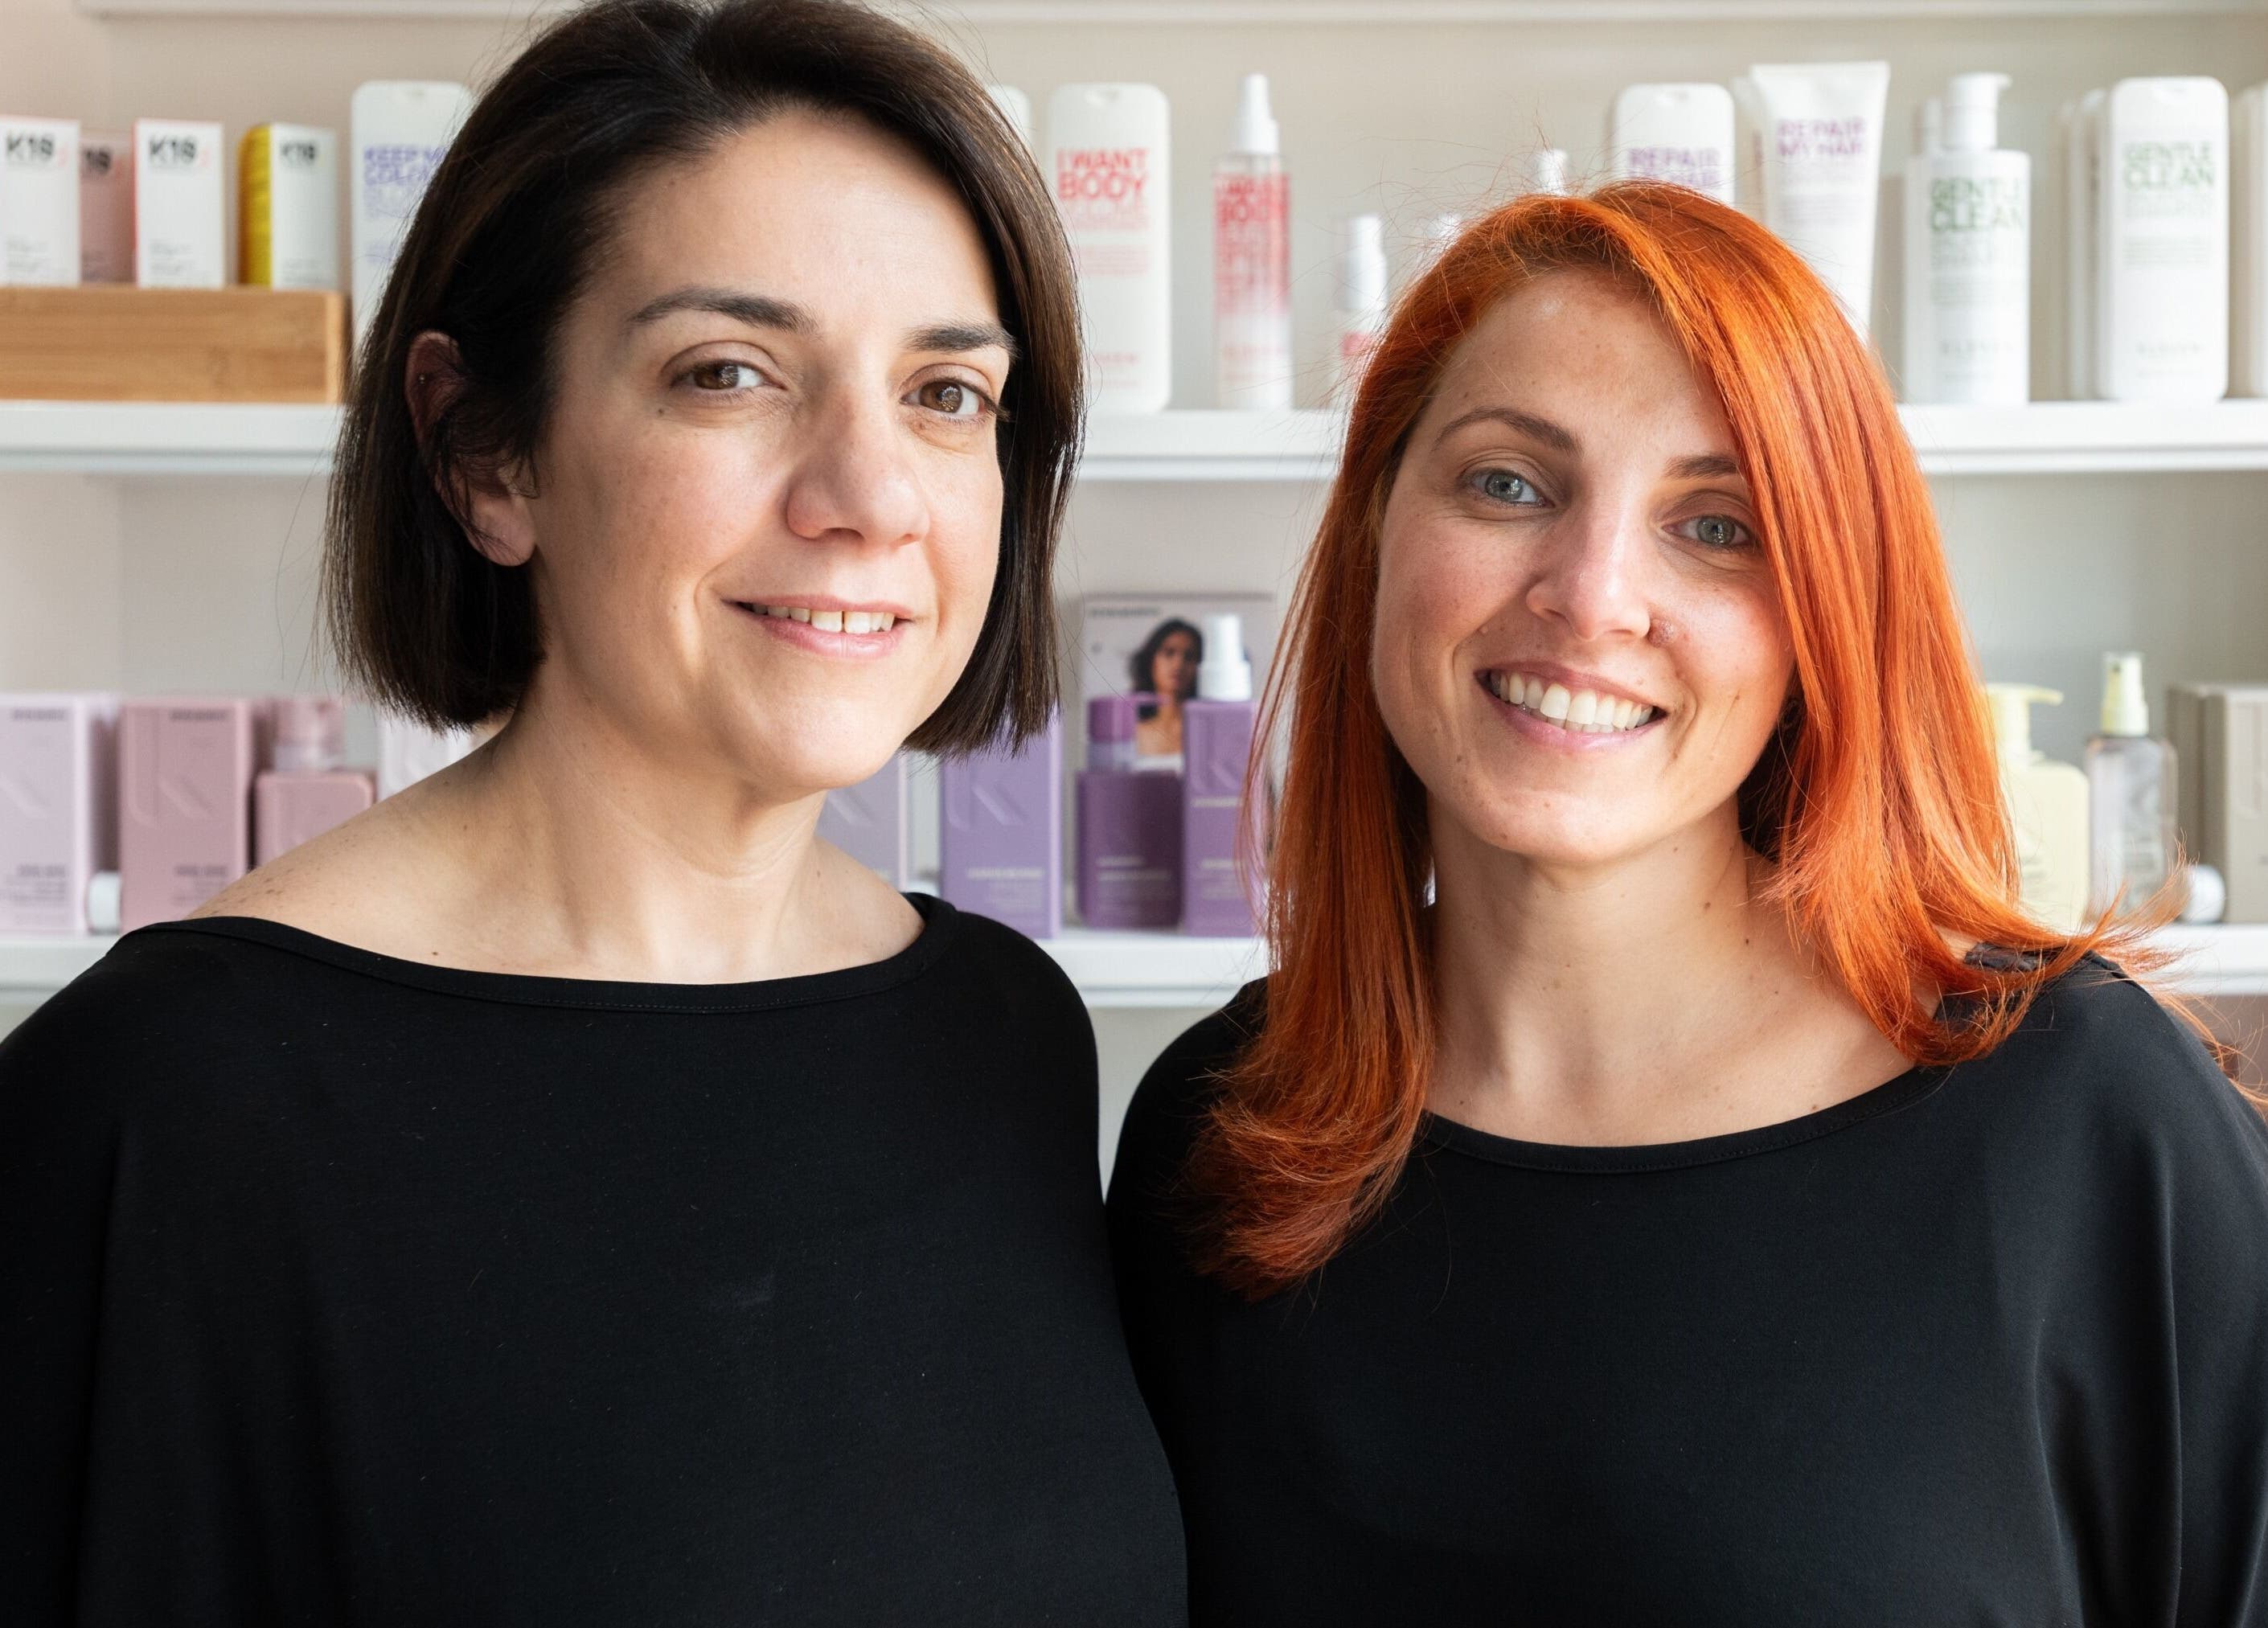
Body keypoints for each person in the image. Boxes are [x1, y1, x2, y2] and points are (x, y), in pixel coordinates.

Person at [0, 1, 1184, 1619]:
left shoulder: (998, 1034)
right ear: (486, 453)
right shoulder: (172, 1102)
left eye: (947, 393)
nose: (869, 495)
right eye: (730, 373)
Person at [1109, 182, 2268, 1623]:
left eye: (1716, 525)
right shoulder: (1220, 1131)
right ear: (1374, 536)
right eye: (1508, 485)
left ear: (1821, 617)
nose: (1592, 598)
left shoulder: (2085, 1126)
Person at [1129, 617, 1201, 760]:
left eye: (1189, 656)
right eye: (1169, 653)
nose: (1178, 664)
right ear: (1151, 661)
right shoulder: (1131, 735)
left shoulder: (1206, 733)